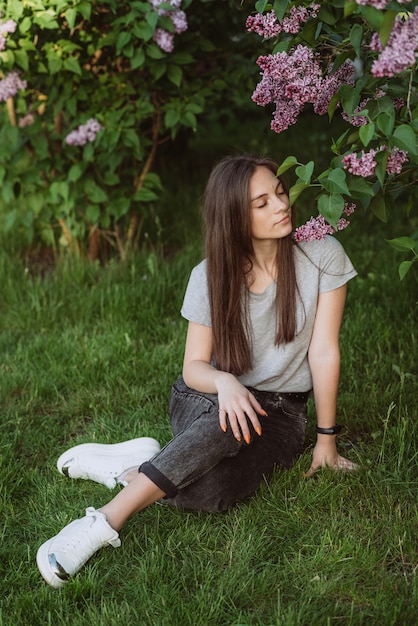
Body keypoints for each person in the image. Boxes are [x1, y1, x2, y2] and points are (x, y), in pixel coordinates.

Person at [36, 154, 358, 589]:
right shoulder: (209, 276)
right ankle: (102, 523)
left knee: (213, 493)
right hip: (207, 397)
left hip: (282, 415)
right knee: (229, 426)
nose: (281, 206)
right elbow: (194, 368)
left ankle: (137, 467)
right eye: (260, 203)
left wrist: (326, 440)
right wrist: (225, 381)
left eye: (279, 193)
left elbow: (323, 352)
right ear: (233, 217)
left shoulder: (322, 254)